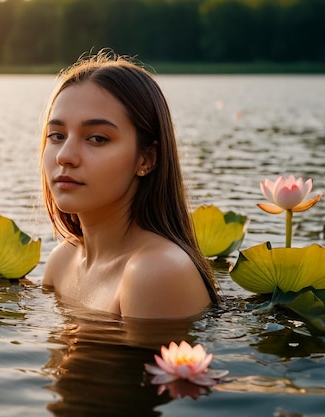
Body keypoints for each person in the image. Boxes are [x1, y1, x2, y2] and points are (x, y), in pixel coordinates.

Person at [40, 51, 220, 319]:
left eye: (97, 139)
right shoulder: (61, 261)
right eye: (56, 135)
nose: (64, 155)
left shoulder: (156, 271)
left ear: (146, 159)